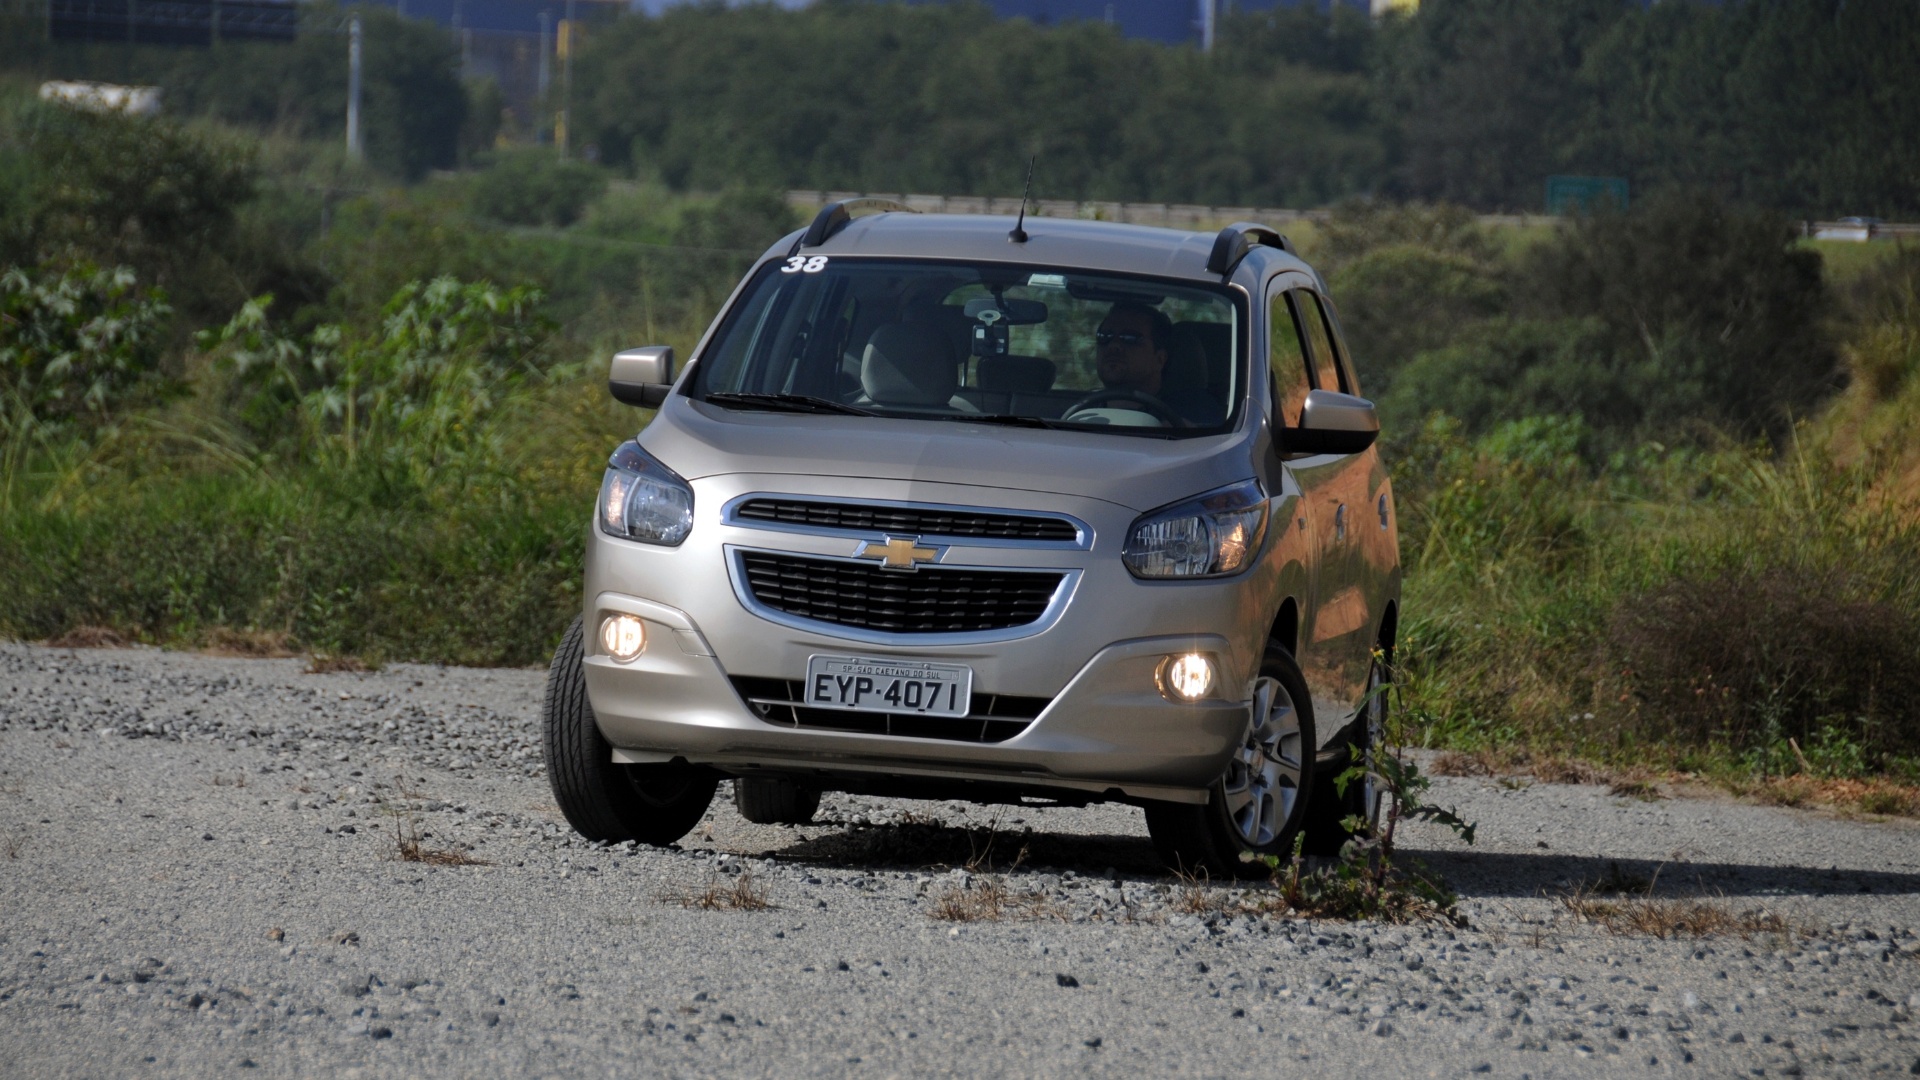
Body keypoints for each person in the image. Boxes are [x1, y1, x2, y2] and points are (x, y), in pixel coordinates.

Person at [1093, 301, 1221, 425]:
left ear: (1160, 359)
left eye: (1129, 338)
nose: (1113, 346)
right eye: (1104, 336)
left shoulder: (1195, 411)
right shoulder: (1081, 409)